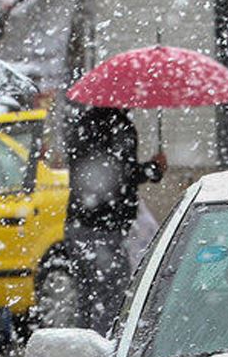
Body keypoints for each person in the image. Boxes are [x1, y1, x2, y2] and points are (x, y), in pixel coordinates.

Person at [60, 104, 165, 333]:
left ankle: (81, 353)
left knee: (87, 298)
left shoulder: (81, 125)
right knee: (112, 298)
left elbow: (99, 172)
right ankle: (102, 354)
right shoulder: (119, 127)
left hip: (77, 224)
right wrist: (152, 169)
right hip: (104, 228)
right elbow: (120, 174)